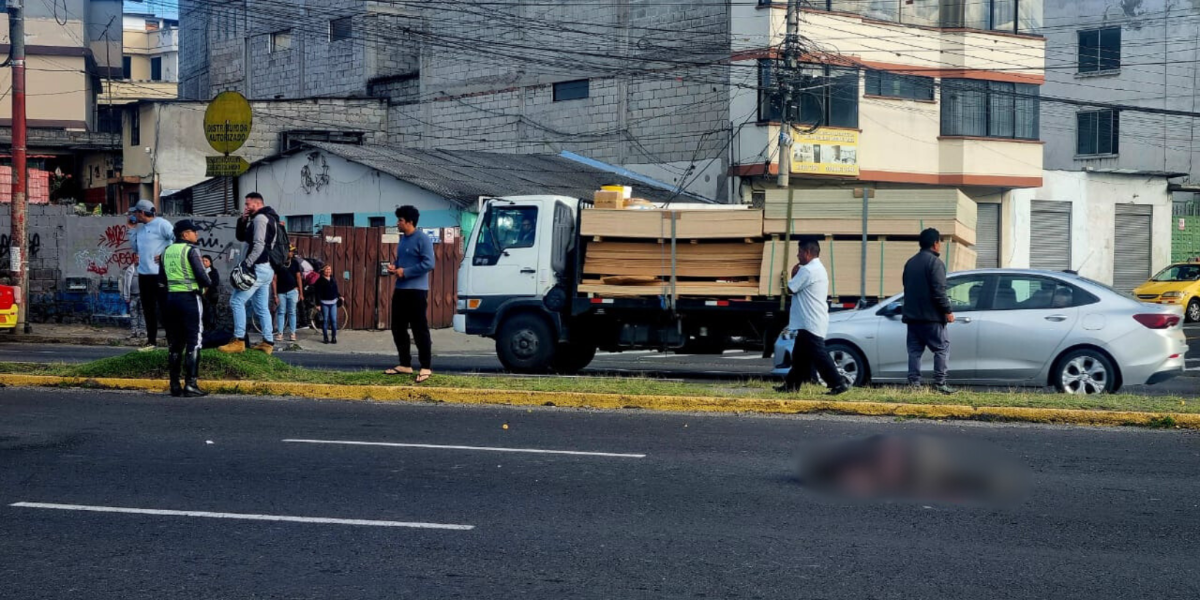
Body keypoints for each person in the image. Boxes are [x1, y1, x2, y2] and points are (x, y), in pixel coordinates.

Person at [774, 239, 849, 396]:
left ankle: (837, 382)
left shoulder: (807, 270)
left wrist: (793, 274)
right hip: (810, 320)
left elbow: (790, 289)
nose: (797, 255)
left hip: (810, 321)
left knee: (819, 354)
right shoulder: (817, 268)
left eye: (799, 251)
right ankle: (791, 385)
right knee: (800, 356)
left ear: (807, 253)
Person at [156, 220, 213, 397]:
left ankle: (174, 384)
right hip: (189, 298)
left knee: (175, 343)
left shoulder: (166, 251)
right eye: (194, 232)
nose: (197, 235)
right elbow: (203, 277)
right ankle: (191, 384)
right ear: (185, 234)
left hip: (171, 299)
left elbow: (162, 279)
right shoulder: (191, 250)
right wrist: (208, 285)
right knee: (194, 339)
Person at [219, 192, 280, 355]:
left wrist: (246, 264)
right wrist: (243, 220)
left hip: (257, 268)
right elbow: (242, 237)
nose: (245, 207)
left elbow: (259, 245)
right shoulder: (269, 217)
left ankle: (238, 341)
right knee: (261, 307)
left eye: (248, 204)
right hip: (267, 269)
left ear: (257, 203)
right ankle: (268, 342)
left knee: (237, 301)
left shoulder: (260, 219)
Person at [383, 205, 435, 382]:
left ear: (410, 222)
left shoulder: (423, 239)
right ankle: (405, 364)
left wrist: (405, 272)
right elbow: (401, 261)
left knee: (419, 329)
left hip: (417, 291)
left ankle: (426, 367)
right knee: (397, 327)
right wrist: (395, 267)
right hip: (401, 289)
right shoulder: (403, 239)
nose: (398, 223)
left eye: (400, 220)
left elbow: (429, 264)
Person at [902, 228, 956, 394]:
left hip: (912, 317)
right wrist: (948, 311)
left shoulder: (910, 263)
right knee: (941, 348)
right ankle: (940, 383)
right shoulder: (936, 263)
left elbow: (906, 287)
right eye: (939, 242)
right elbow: (939, 291)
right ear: (935, 243)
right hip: (931, 318)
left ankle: (914, 384)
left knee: (915, 352)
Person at [128, 199, 173, 352]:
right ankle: (151, 340)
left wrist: (165, 254)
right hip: (144, 274)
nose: (133, 214)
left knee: (165, 307)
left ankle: (171, 339)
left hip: (160, 274)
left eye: (135, 212)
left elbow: (176, 240)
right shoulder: (140, 229)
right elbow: (135, 248)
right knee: (148, 308)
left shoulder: (162, 224)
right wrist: (131, 229)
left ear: (141, 212)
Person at [273, 246, 303, 342]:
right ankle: (280, 333)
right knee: (281, 312)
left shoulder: (294, 263)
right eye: (287, 251)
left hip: (292, 291)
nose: (289, 253)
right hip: (281, 292)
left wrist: (301, 293)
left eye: (290, 251)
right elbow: (274, 280)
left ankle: (292, 333)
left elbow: (299, 278)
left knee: (292, 312)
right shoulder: (278, 263)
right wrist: (275, 294)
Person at [312, 264, 342, 344]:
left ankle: (333, 337)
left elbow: (335, 290)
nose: (328, 271)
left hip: (333, 303)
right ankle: (325, 337)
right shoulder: (319, 281)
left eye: (329, 269)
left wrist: (339, 296)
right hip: (324, 303)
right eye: (326, 269)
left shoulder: (332, 279)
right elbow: (317, 293)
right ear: (323, 271)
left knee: (333, 320)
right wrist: (318, 304)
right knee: (325, 320)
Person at [201, 255, 221, 332]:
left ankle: (211, 327)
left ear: (210, 262)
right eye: (203, 261)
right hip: (202, 295)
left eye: (206, 261)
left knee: (210, 312)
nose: (204, 262)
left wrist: (208, 284)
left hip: (211, 295)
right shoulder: (200, 271)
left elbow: (216, 282)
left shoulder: (213, 271)